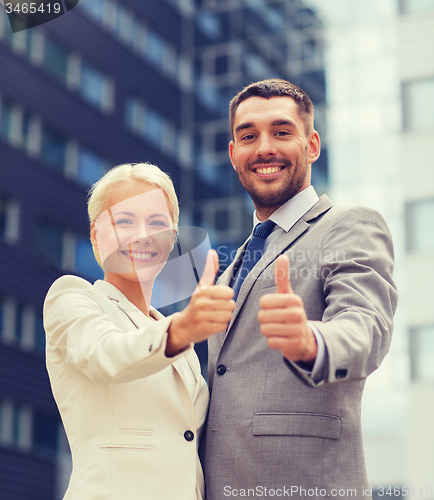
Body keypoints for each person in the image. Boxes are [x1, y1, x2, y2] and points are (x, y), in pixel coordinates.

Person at [200, 80, 398, 499]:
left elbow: (365, 328)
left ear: (312, 145)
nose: (265, 147)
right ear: (234, 154)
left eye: (282, 132)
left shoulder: (350, 225)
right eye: (249, 136)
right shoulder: (229, 268)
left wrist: (310, 340)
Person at [43, 163, 235, 500]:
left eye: (157, 223)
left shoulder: (179, 342)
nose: (142, 234)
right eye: (125, 221)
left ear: (172, 238)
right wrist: (182, 329)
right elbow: (105, 354)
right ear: (95, 234)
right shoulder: (72, 297)